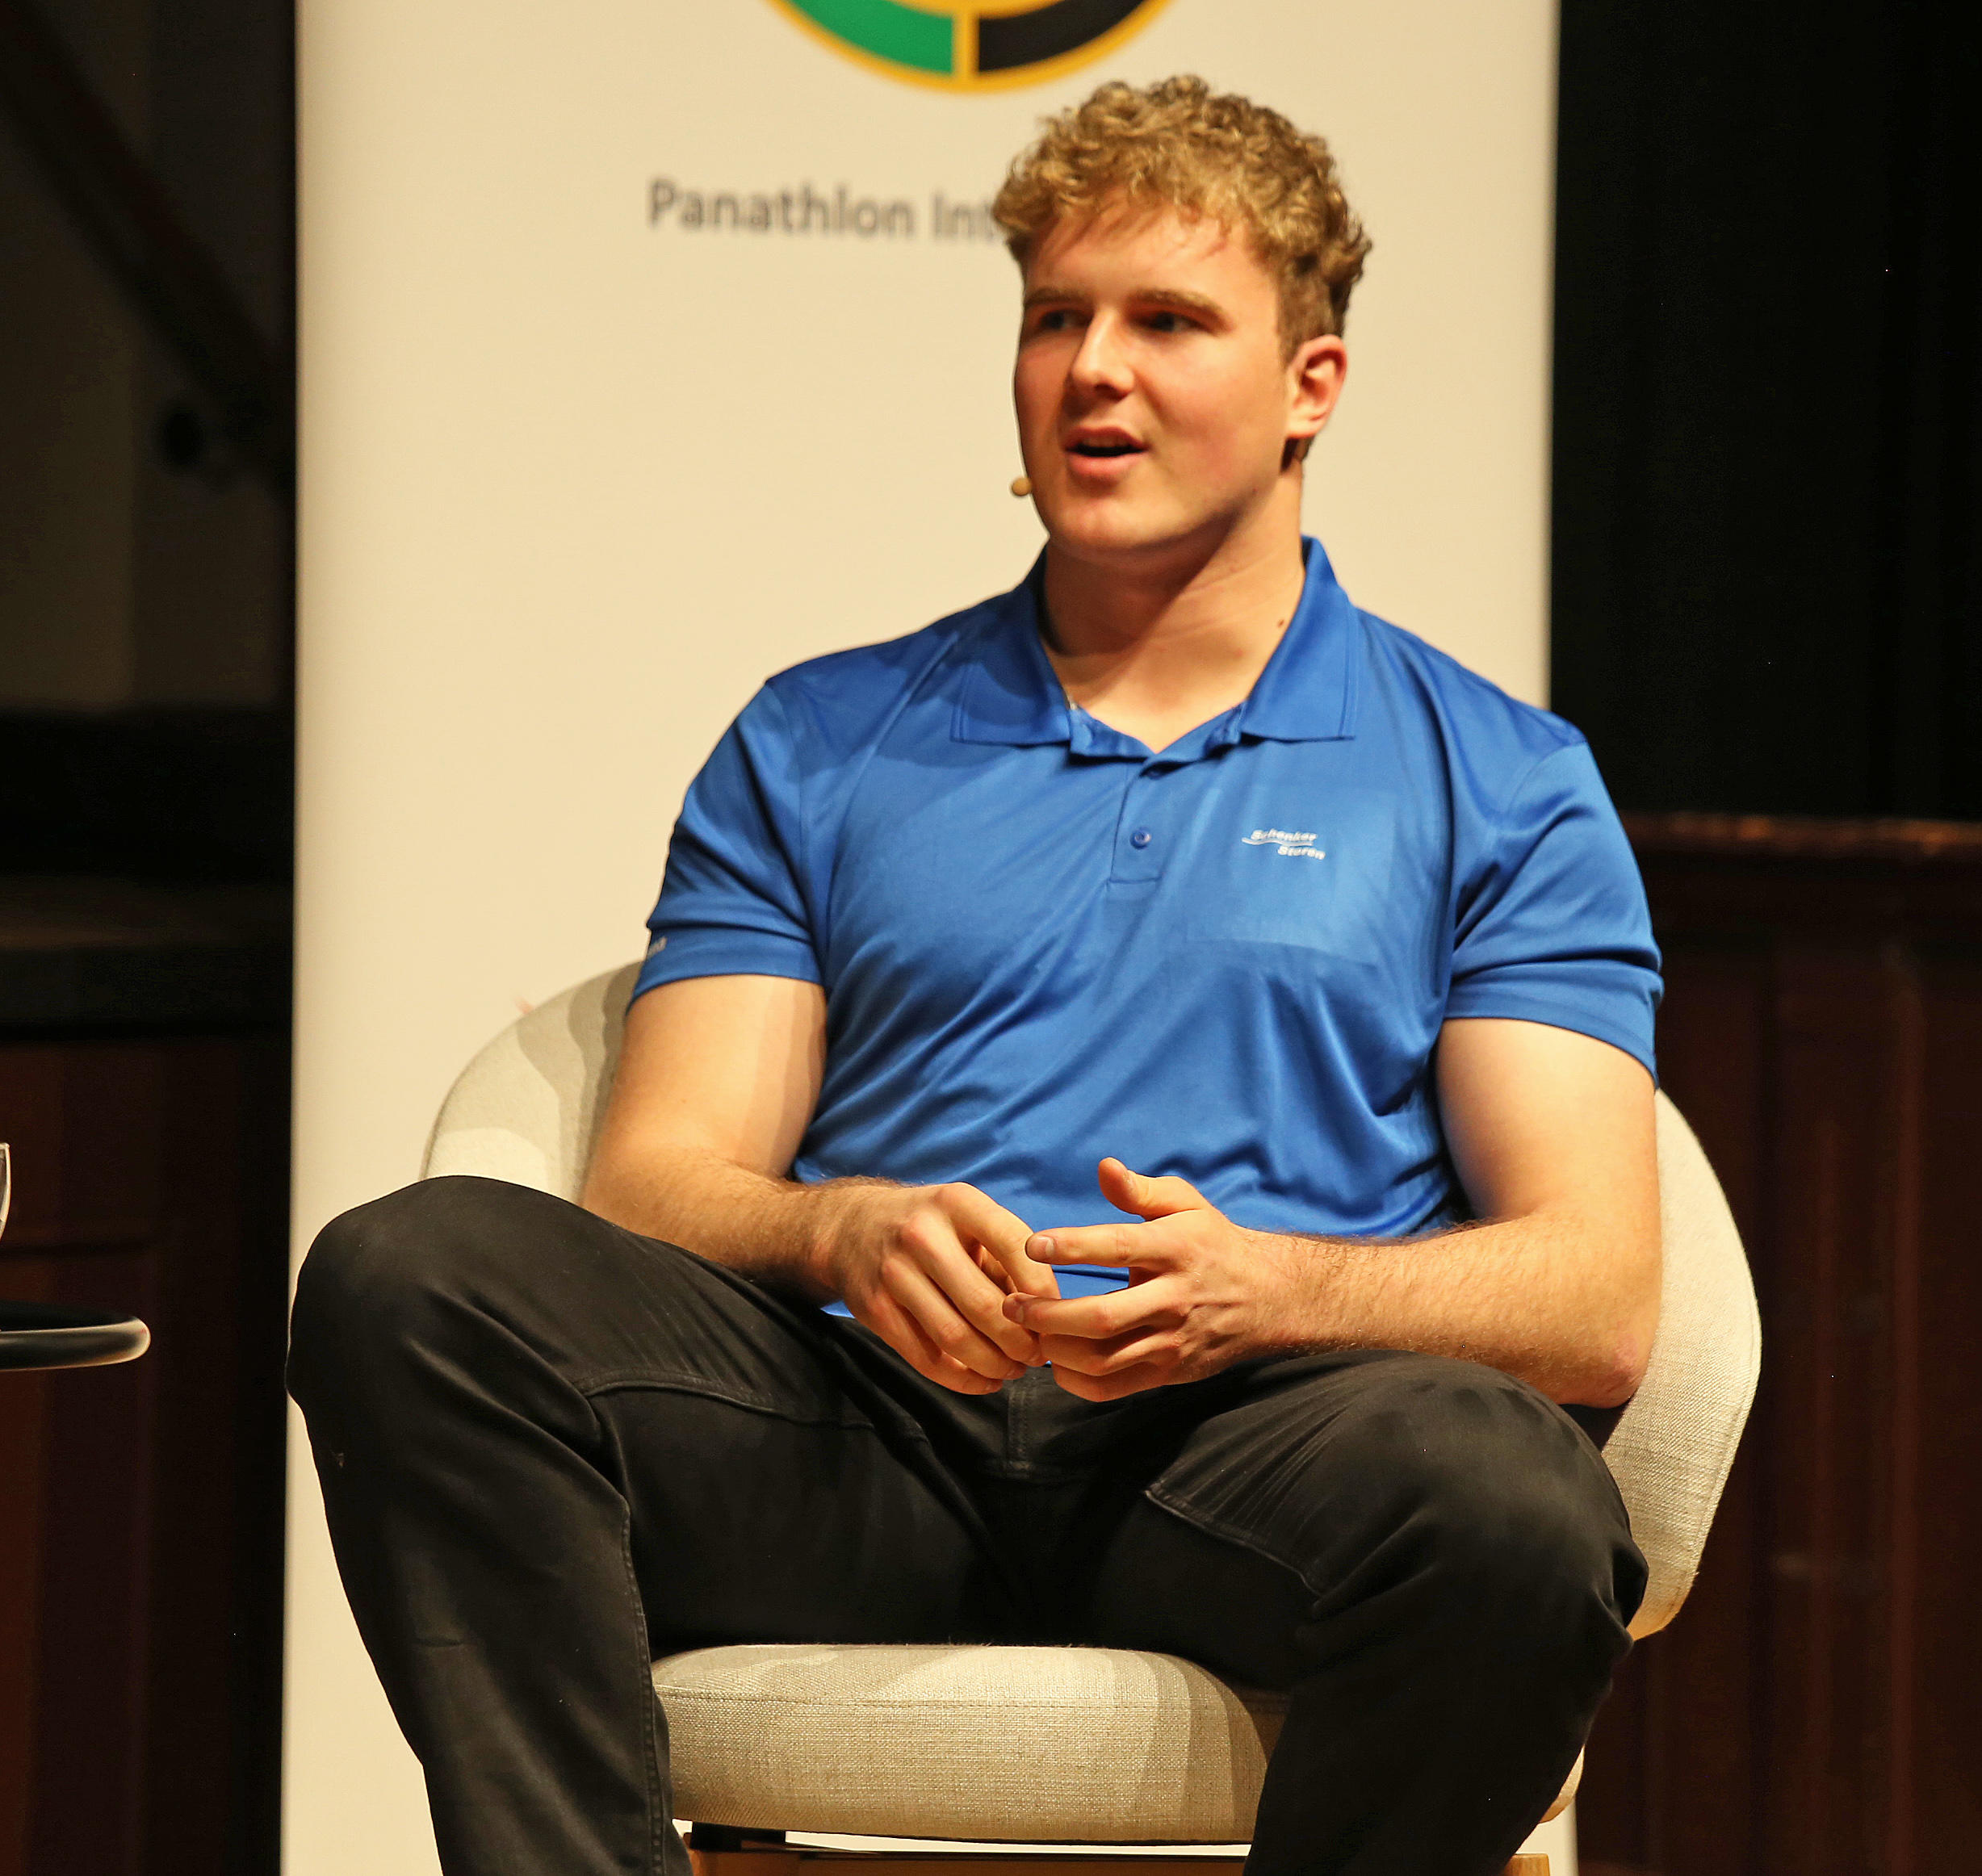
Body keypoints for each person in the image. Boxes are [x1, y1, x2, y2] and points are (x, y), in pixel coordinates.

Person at [290, 76, 1659, 1876]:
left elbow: (1591, 1293)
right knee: (408, 1275)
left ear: (1308, 386)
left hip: (1251, 1448)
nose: (1092, 370)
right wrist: (836, 1227)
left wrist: (1274, 1290)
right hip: (853, 1432)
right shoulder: (823, 735)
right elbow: (658, 1173)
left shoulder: (1493, 774)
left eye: (1167, 320)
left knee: (1510, 1502)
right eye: (1053, 318)